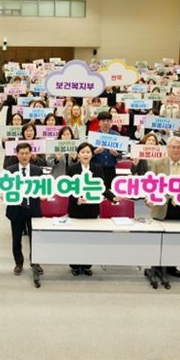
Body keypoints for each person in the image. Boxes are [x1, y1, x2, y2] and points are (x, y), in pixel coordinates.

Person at [149, 136, 180, 279]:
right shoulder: (157, 163)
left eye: (178, 147)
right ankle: (156, 266)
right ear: (168, 148)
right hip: (162, 205)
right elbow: (151, 184)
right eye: (173, 147)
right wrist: (149, 198)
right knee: (160, 238)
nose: (176, 150)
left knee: (177, 239)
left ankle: (172, 267)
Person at [66, 142, 105, 276]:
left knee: (90, 238)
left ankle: (87, 265)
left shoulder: (97, 168)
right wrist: (76, 199)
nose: (85, 154)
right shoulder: (72, 169)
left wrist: (113, 198)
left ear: (92, 154)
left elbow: (102, 188)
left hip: (92, 209)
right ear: (78, 154)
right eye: (83, 152)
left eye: (88, 152)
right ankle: (75, 265)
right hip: (76, 208)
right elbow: (67, 189)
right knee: (75, 238)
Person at [5, 142, 43, 276]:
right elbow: (5, 188)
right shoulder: (10, 170)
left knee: (35, 238)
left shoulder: (37, 170)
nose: (24, 156)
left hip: (33, 209)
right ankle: (18, 263)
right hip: (16, 209)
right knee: (16, 239)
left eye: (27, 153)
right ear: (17, 155)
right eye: (22, 153)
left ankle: (35, 262)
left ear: (31, 154)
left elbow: (42, 188)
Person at [91, 111, 121, 190]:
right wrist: (95, 152)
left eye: (108, 121)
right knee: (97, 190)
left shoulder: (117, 135)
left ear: (111, 122)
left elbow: (121, 156)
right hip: (97, 168)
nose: (105, 123)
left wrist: (116, 154)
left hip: (111, 168)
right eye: (103, 121)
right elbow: (88, 154)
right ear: (99, 123)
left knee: (110, 191)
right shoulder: (94, 136)